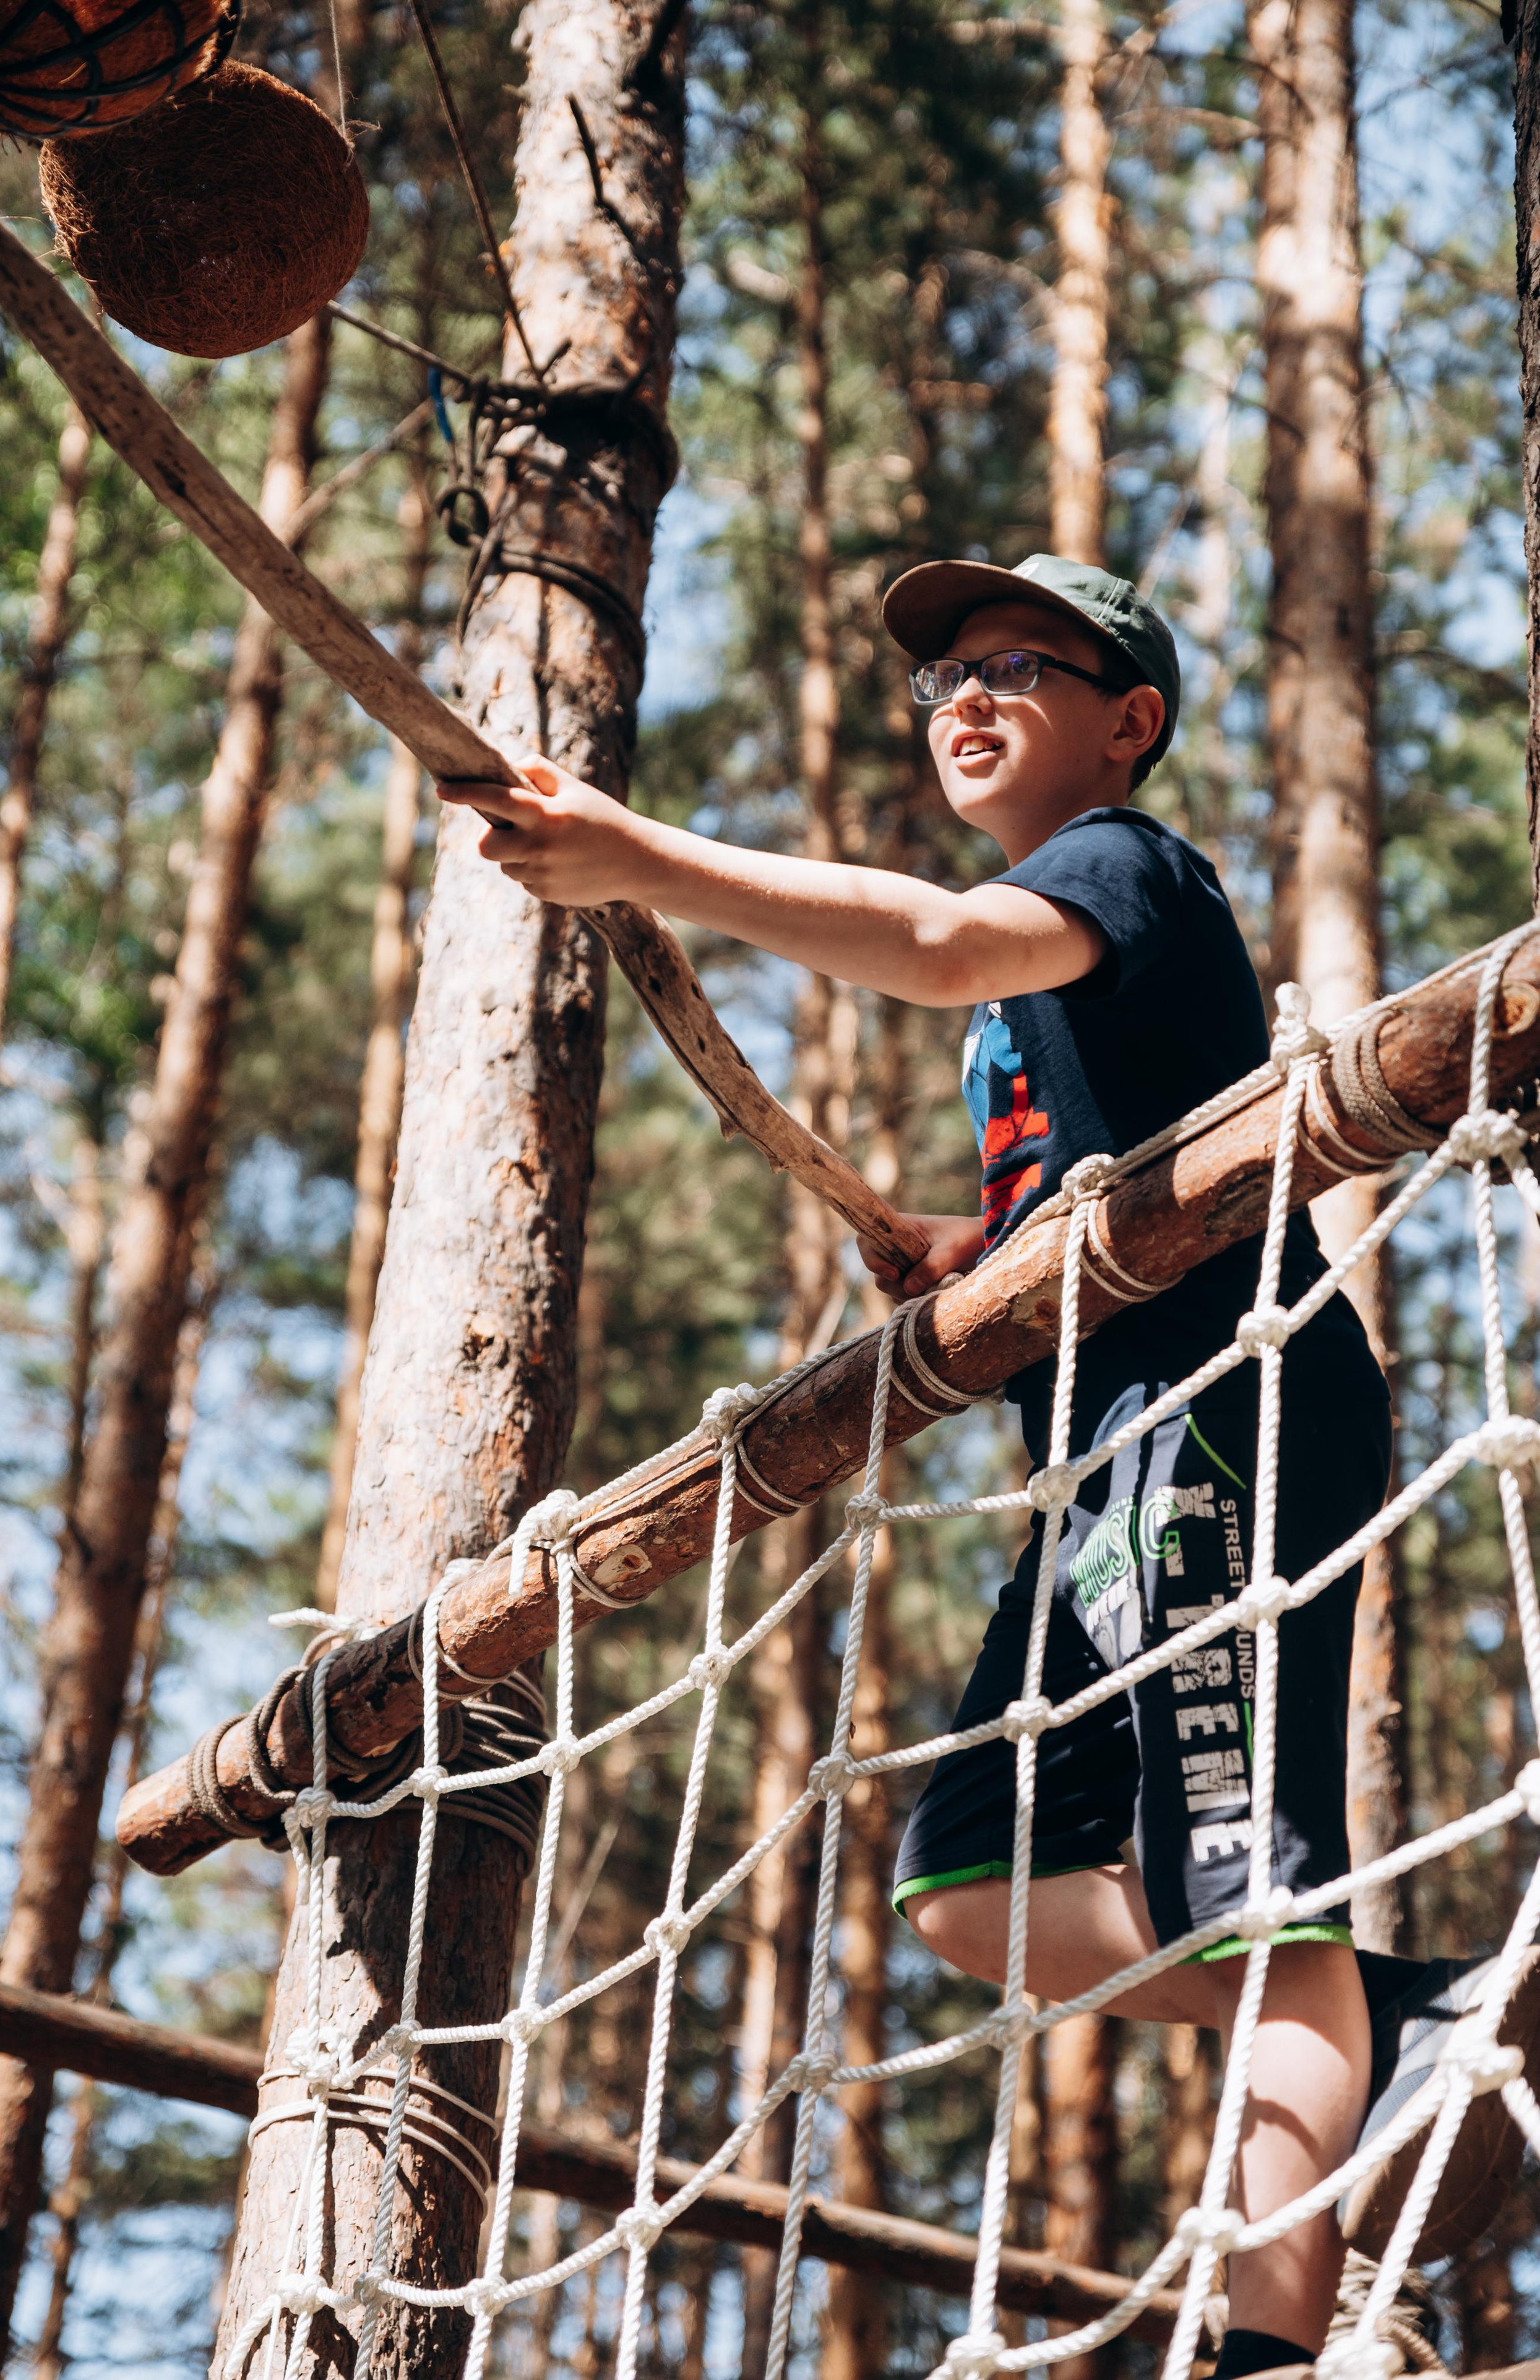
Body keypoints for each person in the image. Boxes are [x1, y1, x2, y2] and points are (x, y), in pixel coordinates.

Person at [439, 552, 1540, 2375]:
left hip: (1222, 1413)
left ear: (1127, 726)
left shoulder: (1116, 863)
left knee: (1250, 1901)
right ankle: (1409, 2007)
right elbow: (1115, 1156)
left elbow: (944, 947)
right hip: (1113, 1440)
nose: (966, 690)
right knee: (966, 1888)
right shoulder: (1059, 938)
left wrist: (648, 862)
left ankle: (1279, 2333)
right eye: (947, 667)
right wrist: (984, 1243)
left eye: (1021, 666)